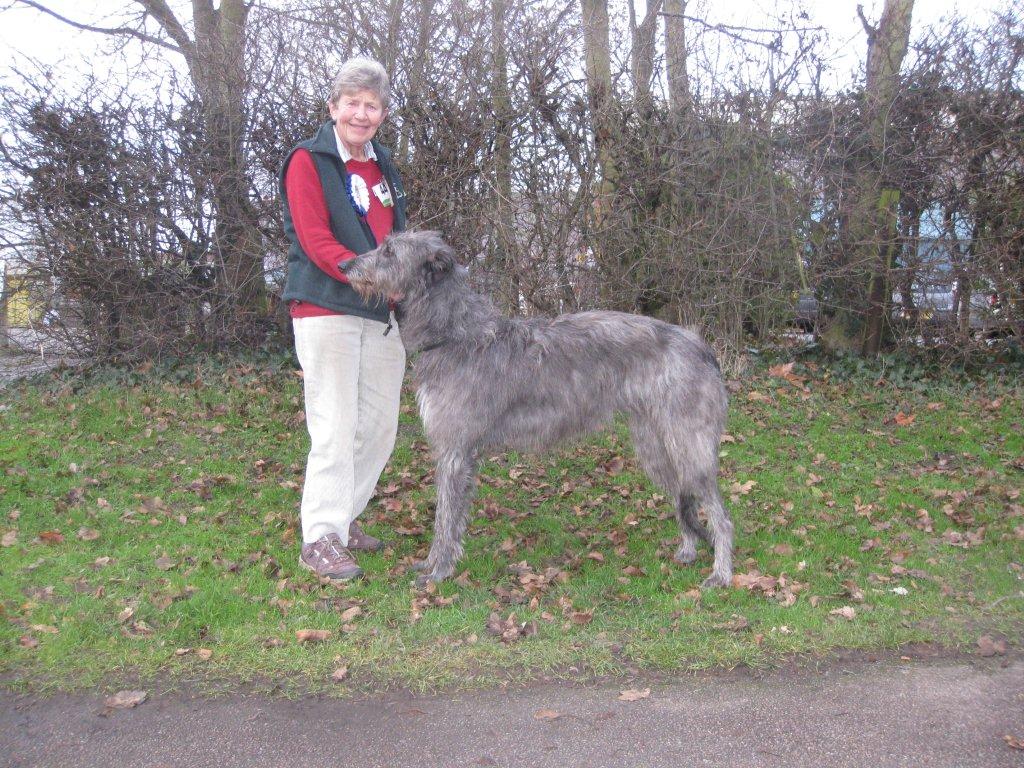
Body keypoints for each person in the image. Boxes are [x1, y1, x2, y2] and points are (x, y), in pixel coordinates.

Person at [279, 57, 407, 581]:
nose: (361, 113)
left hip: (381, 315)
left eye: (371, 105)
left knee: (379, 425)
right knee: (334, 425)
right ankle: (321, 537)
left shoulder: (382, 165)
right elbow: (315, 240)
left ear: (381, 114)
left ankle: (344, 515)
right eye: (351, 103)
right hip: (327, 307)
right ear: (333, 107)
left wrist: (404, 281)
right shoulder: (309, 161)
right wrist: (370, 274)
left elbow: (395, 236)